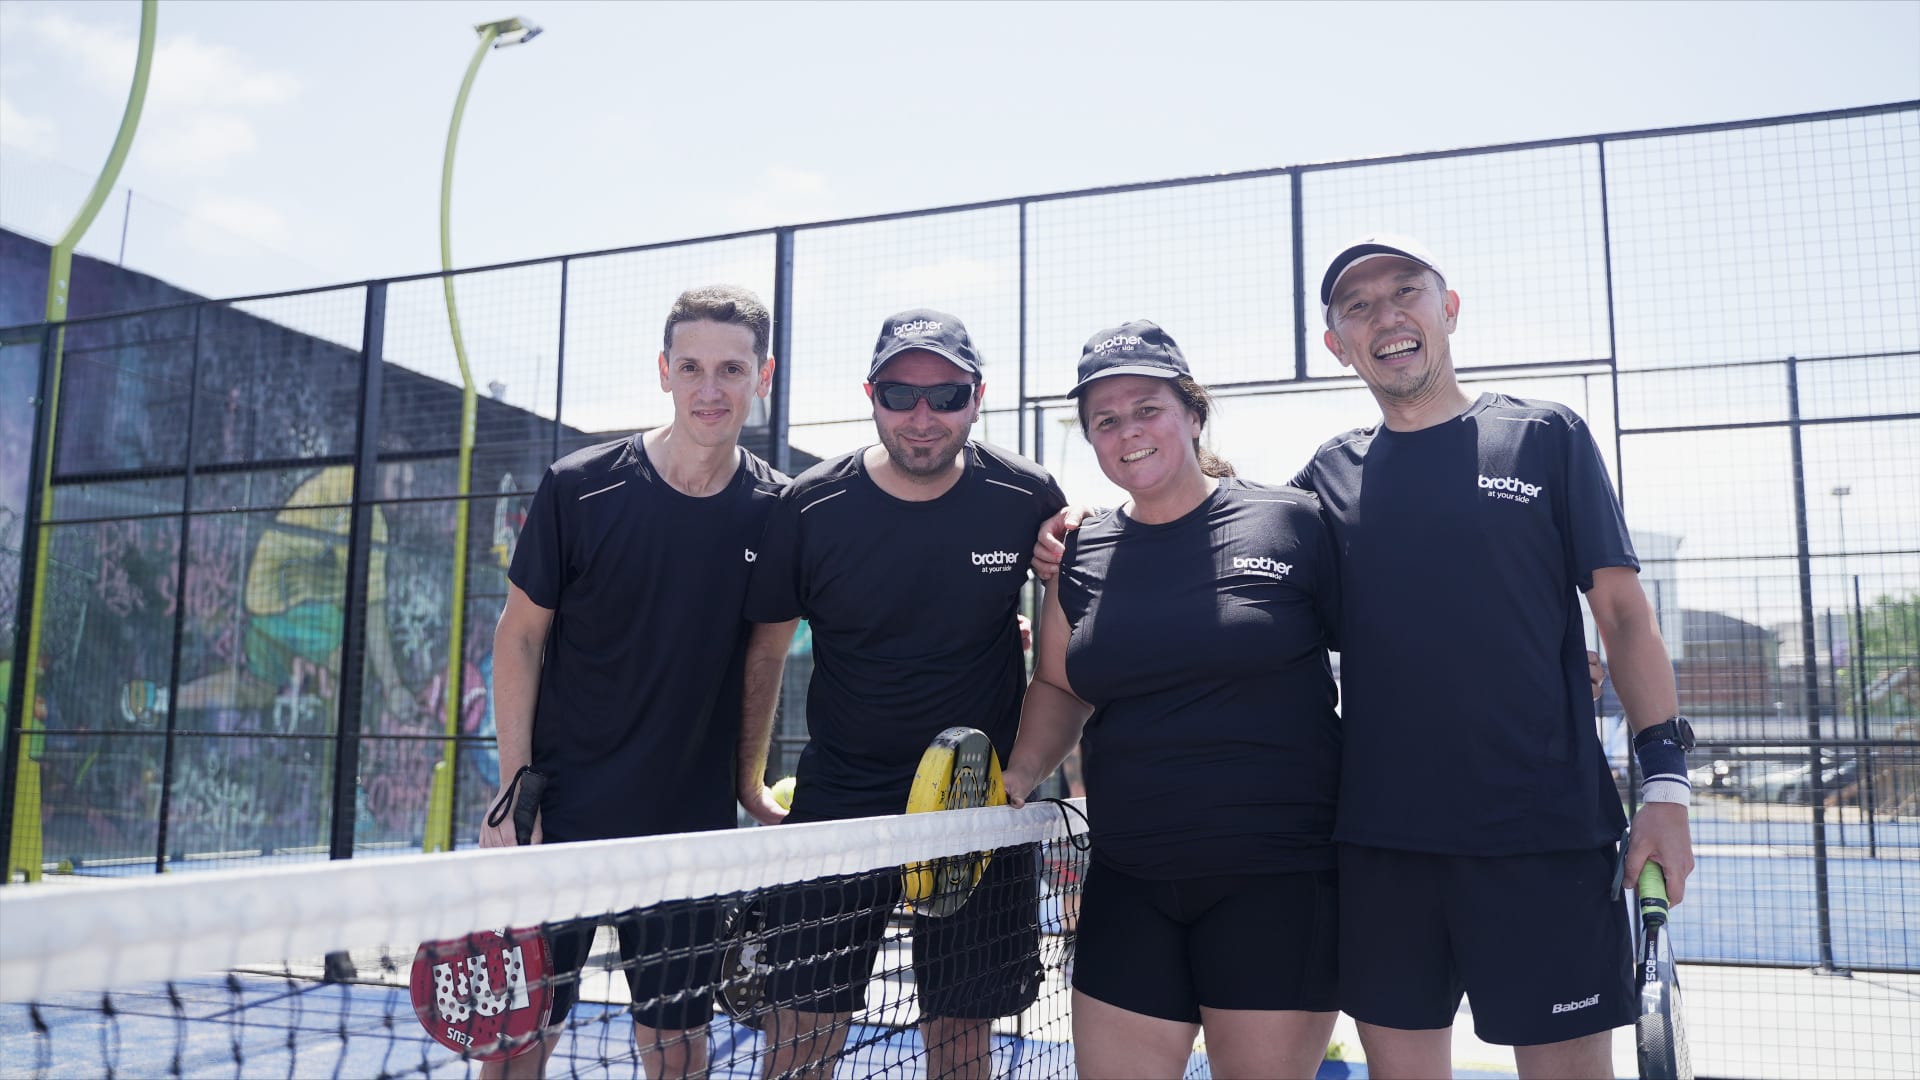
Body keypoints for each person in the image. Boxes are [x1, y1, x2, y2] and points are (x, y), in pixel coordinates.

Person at [1035, 236, 1693, 1079]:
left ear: (1446, 307)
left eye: (1404, 292)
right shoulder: (1321, 485)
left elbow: (1626, 621)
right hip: (1379, 852)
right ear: (1337, 345)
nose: (1386, 316)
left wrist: (1665, 788)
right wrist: (1081, 532)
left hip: (1544, 837)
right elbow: (1213, 542)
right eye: (1358, 307)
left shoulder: (1546, 437)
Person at [1000, 321, 1341, 1079]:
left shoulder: (1292, 522)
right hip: (1129, 883)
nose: (1129, 431)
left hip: (1276, 883)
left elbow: (1390, 656)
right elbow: (1058, 683)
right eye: (1105, 420)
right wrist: (1019, 773)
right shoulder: (1080, 551)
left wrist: (1539, 664)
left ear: (1192, 412)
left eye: (1146, 407)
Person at [738, 308, 1066, 1080]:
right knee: (798, 1040)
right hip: (840, 803)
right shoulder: (810, 505)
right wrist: (745, 778)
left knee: (960, 1041)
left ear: (976, 397)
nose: (923, 417)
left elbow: (1061, 654)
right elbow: (766, 647)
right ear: (871, 395)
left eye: (946, 396)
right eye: (900, 393)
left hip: (976, 810)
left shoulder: (1026, 497)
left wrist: (1022, 773)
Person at [483, 285, 787, 1080]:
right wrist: (515, 792)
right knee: (517, 1040)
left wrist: (747, 783)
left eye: (731, 368)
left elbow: (765, 658)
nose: (709, 388)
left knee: (678, 1048)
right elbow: (517, 638)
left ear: (763, 375)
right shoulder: (579, 487)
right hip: (562, 818)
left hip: (687, 831)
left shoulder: (779, 512)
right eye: (691, 366)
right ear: (664, 370)